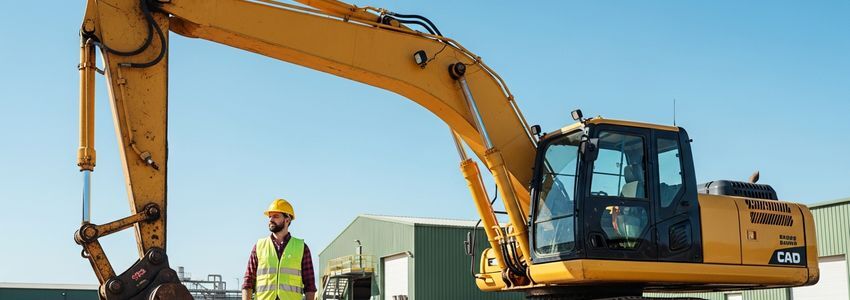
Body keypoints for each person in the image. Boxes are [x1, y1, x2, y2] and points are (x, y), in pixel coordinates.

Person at [242, 198, 316, 300]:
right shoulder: (259, 246)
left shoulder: (302, 248)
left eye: (275, 216)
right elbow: (248, 282)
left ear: (287, 220)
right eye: (270, 216)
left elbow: (310, 285)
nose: (271, 220)